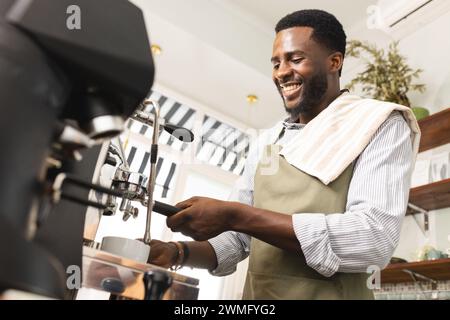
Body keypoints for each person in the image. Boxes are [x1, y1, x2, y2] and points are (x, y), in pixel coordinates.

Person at [147, 9, 418, 299]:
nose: (281, 72)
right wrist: (177, 252)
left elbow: (372, 238)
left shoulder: (379, 123)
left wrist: (236, 215)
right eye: (276, 63)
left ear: (334, 62)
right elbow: (237, 239)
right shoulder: (267, 141)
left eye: (295, 59)